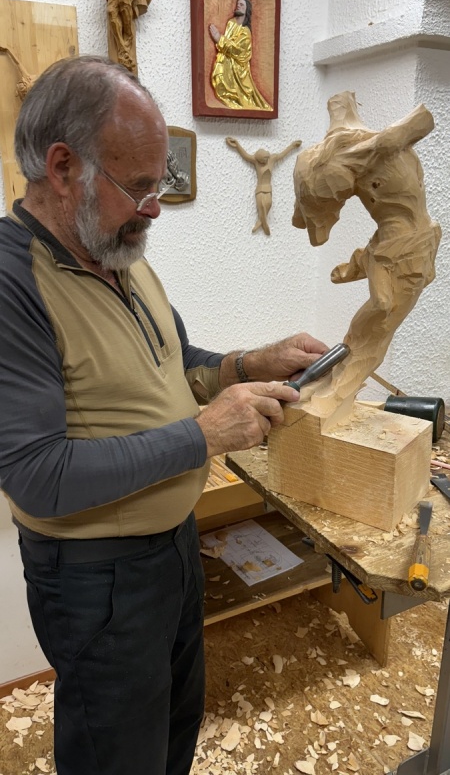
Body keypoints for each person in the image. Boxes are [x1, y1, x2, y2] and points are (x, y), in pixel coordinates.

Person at [0, 55, 327, 775]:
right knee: (116, 754)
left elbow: (173, 363)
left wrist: (250, 362)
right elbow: (36, 475)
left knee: (174, 727)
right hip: (96, 578)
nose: (154, 208)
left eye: (161, 184)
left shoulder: (116, 250)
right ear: (63, 168)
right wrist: (204, 436)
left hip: (171, 549)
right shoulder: (12, 283)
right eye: (139, 187)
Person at [292, 90, 441, 423]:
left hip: (410, 254)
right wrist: (360, 265)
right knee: (365, 329)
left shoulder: (380, 150)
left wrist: (386, 141)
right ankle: (330, 385)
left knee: (375, 328)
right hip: (391, 248)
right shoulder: (364, 156)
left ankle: (336, 393)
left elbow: (423, 119)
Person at [226, 136, 302, 235]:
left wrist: (292, 146)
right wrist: (237, 145)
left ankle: (261, 221)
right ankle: (263, 223)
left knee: (268, 204)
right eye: (261, 161)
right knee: (261, 205)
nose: (263, 162)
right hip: (259, 189)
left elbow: (282, 154)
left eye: (265, 160)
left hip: (268, 189)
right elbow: (246, 155)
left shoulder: (272, 159)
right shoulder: (256, 161)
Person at [209, 0, 272, 110]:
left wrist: (219, 38)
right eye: (237, 4)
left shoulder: (245, 32)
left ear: (246, 10)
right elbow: (228, 44)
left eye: (241, 5)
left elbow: (239, 51)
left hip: (238, 70)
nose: (238, 6)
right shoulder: (231, 23)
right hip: (225, 62)